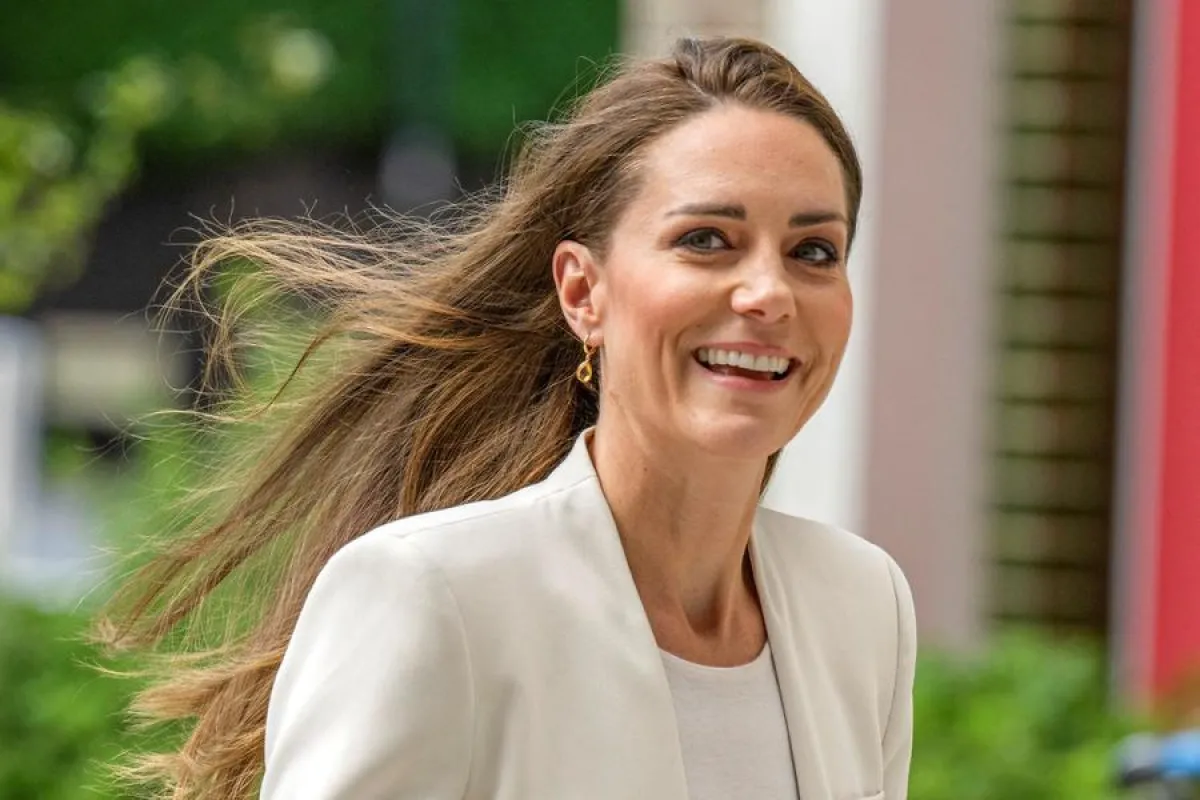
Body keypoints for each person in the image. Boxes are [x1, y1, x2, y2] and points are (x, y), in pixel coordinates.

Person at [102, 35, 916, 800]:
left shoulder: (862, 605)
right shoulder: (431, 595)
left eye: (814, 252)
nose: (769, 294)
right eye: (707, 239)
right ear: (581, 292)